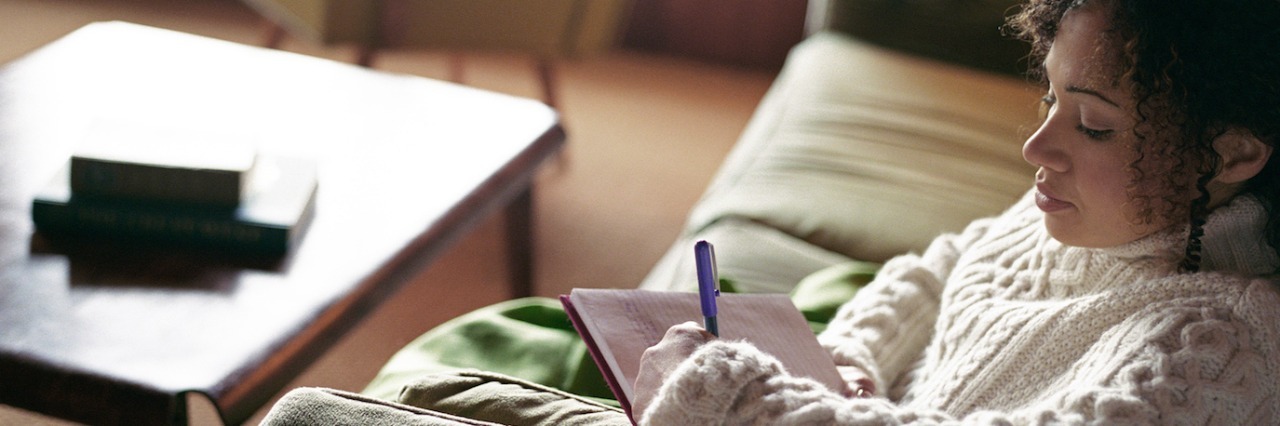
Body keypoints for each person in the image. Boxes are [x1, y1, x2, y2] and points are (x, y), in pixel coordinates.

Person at [631, 0, 1280, 423]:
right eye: (1050, 98)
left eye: (1095, 126)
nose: (1036, 147)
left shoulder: (1220, 347)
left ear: (1231, 153)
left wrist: (726, 395)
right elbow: (948, 263)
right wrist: (854, 356)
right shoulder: (1106, 212)